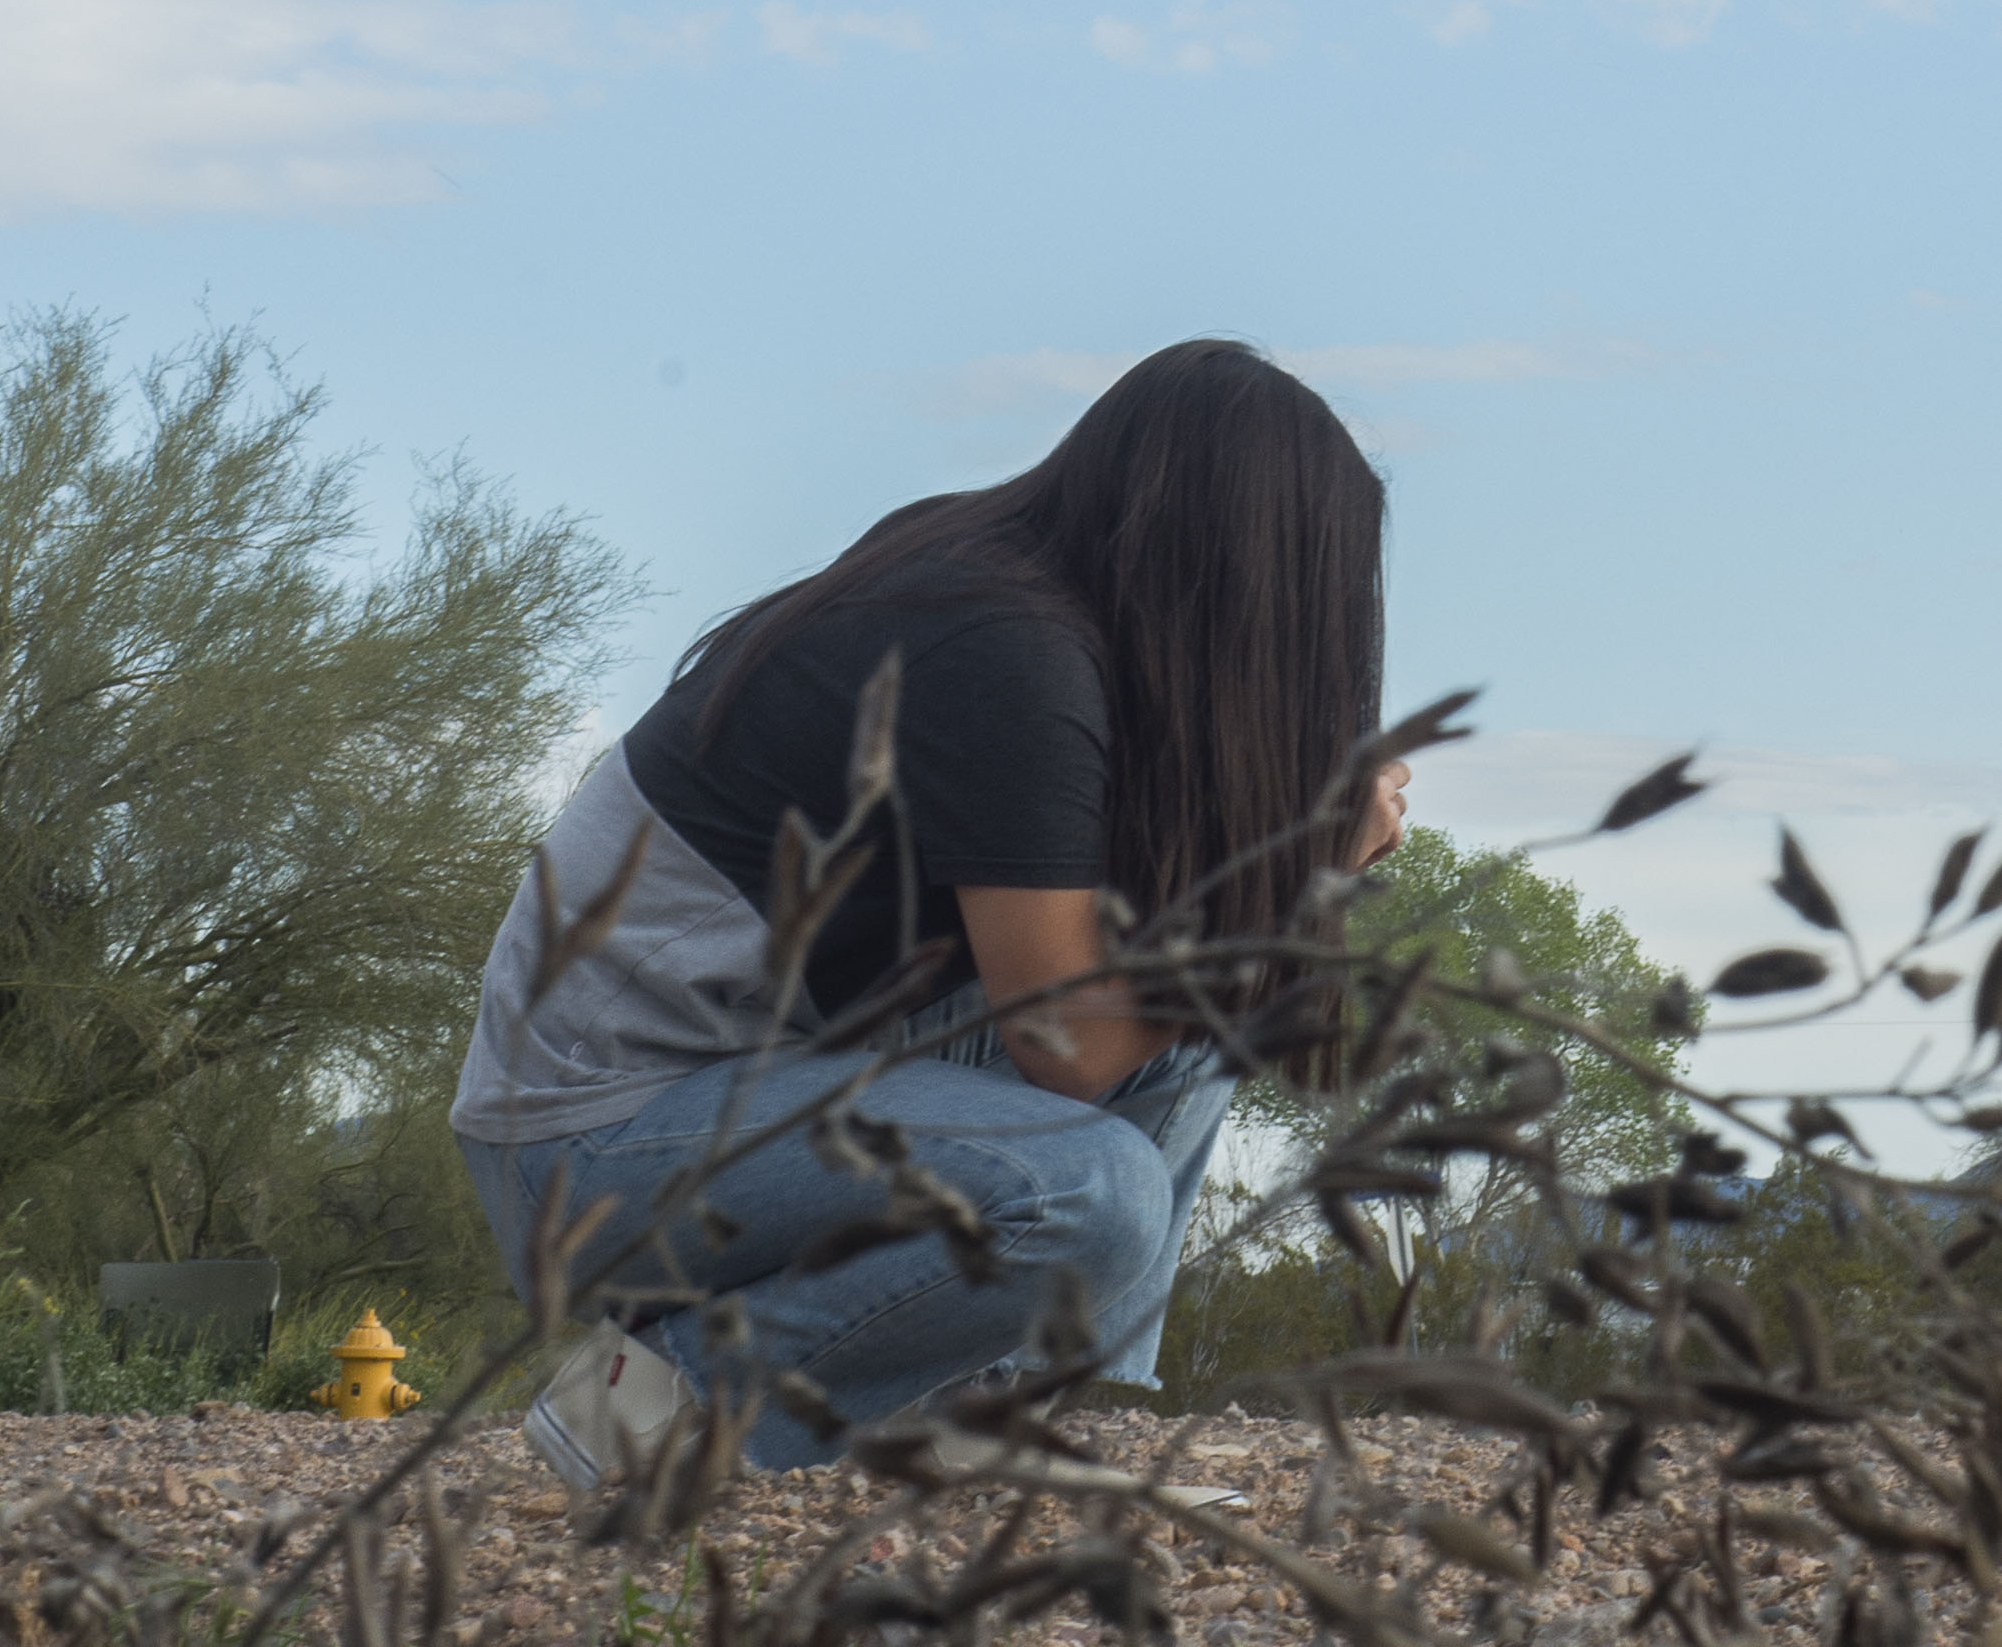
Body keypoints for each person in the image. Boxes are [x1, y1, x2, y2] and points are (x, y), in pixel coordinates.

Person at [453, 338, 1403, 1486]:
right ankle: (657, 1408)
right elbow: (1072, 1047)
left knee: (1187, 1013)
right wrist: (1305, 870)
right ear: (1242, 565)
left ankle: (968, 1407)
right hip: (584, 1145)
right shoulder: (1005, 648)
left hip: (742, 1087)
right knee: (1092, 1187)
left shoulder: (1031, 611)